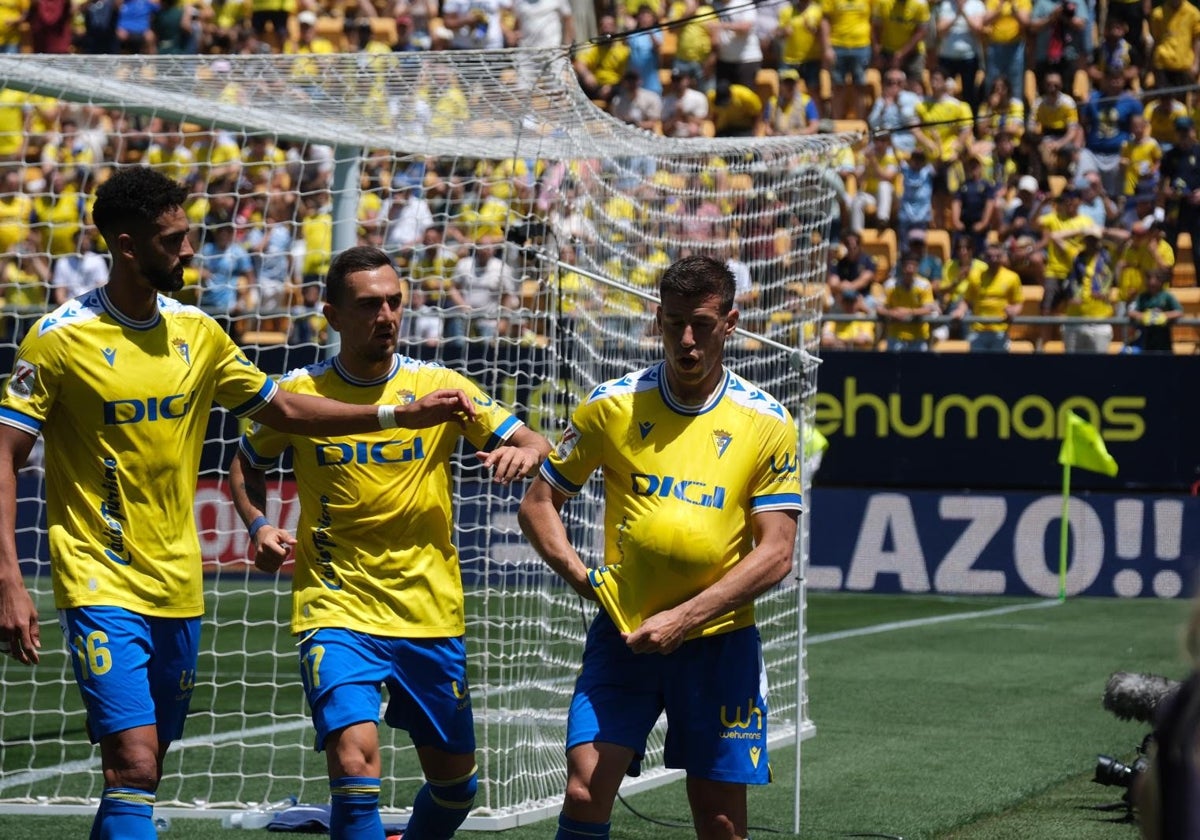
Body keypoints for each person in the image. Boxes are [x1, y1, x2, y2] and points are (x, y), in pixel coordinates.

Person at [0, 167, 477, 840]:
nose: (190, 251)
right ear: (128, 246)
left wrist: (399, 415)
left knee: (143, 772)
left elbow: (284, 407)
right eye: (173, 240)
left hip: (178, 582)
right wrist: (8, 579)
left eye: (190, 235)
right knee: (132, 765)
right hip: (98, 578)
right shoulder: (58, 338)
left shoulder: (198, 332)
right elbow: (3, 454)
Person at [229, 245, 550, 840]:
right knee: (354, 769)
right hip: (334, 606)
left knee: (457, 787)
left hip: (427, 610)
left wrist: (523, 450)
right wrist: (259, 524)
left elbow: (535, 442)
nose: (386, 315)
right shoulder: (298, 394)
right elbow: (245, 464)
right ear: (330, 314)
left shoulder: (442, 387)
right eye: (369, 304)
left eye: (394, 302)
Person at [517, 254, 800, 840]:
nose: (687, 340)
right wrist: (584, 580)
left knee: (719, 820)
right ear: (657, 321)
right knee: (584, 786)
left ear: (731, 324)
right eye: (673, 324)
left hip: (719, 645)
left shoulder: (767, 420)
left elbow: (776, 553)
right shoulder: (610, 404)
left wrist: (685, 617)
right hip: (625, 638)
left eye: (700, 323)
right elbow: (539, 504)